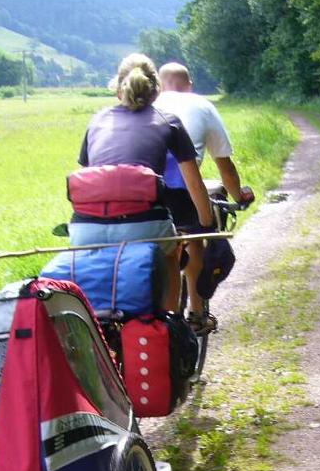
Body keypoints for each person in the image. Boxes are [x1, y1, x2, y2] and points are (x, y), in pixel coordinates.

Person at [71, 53, 216, 312]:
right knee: (172, 251)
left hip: (85, 228)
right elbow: (193, 184)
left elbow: (87, 180)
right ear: (155, 90)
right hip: (145, 223)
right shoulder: (168, 121)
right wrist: (207, 226)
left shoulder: (97, 121)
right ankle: (171, 325)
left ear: (118, 88)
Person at [155, 62, 255, 334]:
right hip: (181, 188)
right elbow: (225, 166)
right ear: (190, 85)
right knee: (197, 236)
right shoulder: (202, 105)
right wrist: (239, 195)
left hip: (139, 189)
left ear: (160, 86)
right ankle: (196, 314)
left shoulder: (148, 103)